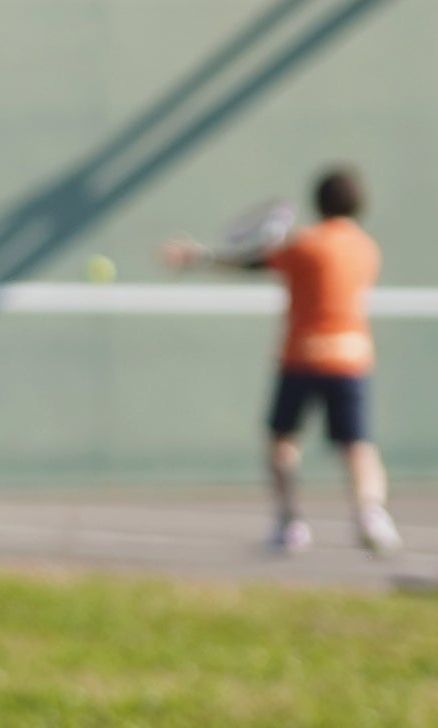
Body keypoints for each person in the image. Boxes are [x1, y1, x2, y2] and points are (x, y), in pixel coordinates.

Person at [166, 165, 393, 555]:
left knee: (282, 441)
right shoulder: (367, 249)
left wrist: (199, 257)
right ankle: (371, 514)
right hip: (352, 356)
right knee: (357, 444)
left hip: (303, 355)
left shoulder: (305, 243)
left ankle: (290, 522)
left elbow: (253, 264)